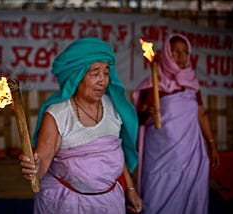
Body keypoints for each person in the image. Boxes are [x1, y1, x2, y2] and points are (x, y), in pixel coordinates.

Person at [19, 37, 142, 213]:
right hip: (68, 203)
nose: (102, 80)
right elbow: (42, 163)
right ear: (77, 76)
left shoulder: (113, 106)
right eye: (95, 73)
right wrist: (34, 168)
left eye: (106, 73)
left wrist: (130, 189)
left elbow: (115, 151)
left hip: (109, 203)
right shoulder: (58, 114)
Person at [132, 33, 220, 214]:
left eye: (184, 52)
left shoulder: (192, 83)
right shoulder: (154, 83)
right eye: (175, 52)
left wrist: (212, 145)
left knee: (190, 197)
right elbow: (140, 119)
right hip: (161, 157)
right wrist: (148, 113)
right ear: (166, 54)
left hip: (191, 155)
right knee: (158, 196)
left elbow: (201, 114)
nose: (181, 56)